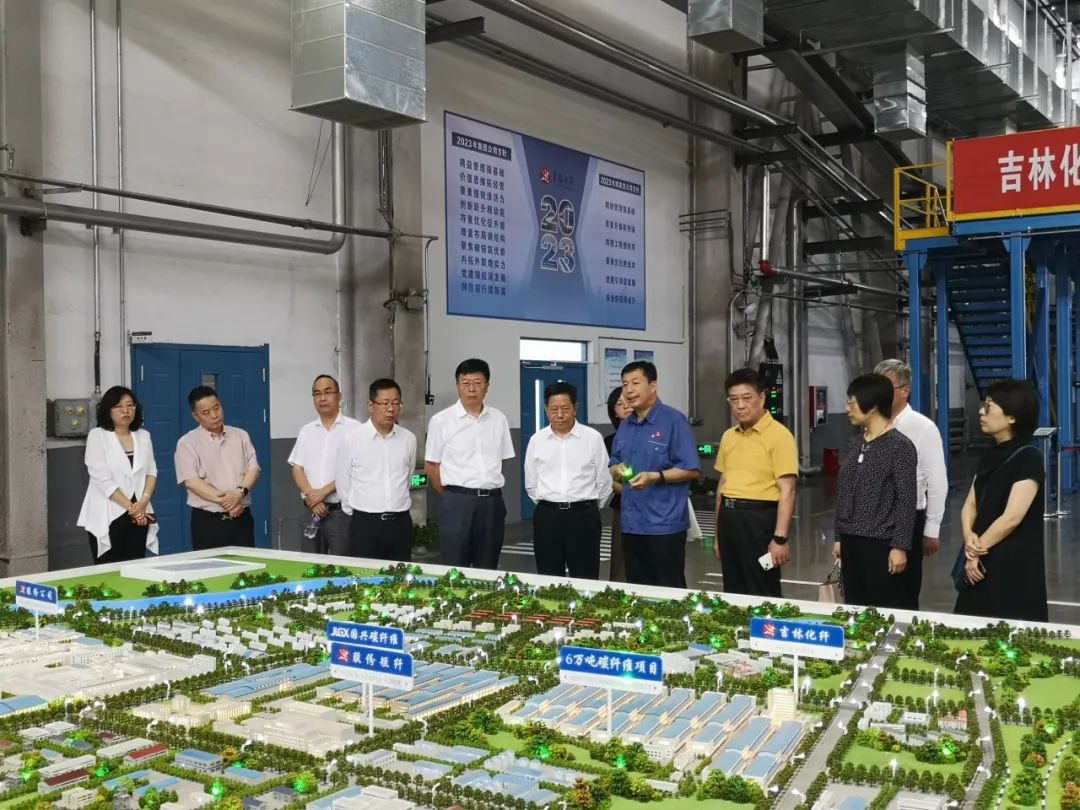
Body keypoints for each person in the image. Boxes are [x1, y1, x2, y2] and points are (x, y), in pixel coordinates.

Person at [955, 380, 1046, 622]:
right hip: (980, 555)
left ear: (1013, 416)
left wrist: (975, 551)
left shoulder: (1029, 457)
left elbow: (1012, 517)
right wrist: (968, 536)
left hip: (1011, 559)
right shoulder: (990, 454)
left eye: (988, 406)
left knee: (1008, 625)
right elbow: (970, 504)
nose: (981, 412)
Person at [608, 361, 700, 588]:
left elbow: (691, 469)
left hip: (664, 526)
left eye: (635, 383)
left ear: (653, 386)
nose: (629, 390)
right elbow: (614, 463)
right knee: (637, 590)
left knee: (668, 592)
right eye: (625, 384)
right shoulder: (626, 425)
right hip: (631, 525)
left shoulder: (673, 421)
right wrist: (616, 470)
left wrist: (655, 477)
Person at [833, 373, 917, 609]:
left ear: (871, 406)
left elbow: (906, 500)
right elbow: (843, 493)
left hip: (881, 544)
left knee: (883, 607)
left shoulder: (900, 446)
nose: (847, 408)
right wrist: (838, 537)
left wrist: (899, 546)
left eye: (852, 402)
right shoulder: (854, 444)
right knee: (855, 606)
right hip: (850, 541)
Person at [713, 368, 798, 597]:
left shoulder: (779, 436)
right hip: (729, 519)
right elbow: (722, 486)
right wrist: (718, 535)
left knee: (762, 588)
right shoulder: (729, 436)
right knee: (733, 589)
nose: (740, 406)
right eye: (733, 400)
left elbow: (787, 490)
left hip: (759, 521)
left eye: (746, 398)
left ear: (762, 397)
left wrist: (780, 538)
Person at [424, 358, 515, 569]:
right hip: (457, 502)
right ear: (458, 385)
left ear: (487, 386)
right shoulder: (441, 421)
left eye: (477, 383)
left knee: (488, 565)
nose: (471, 389)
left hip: (492, 503)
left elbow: (502, 462)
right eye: (465, 383)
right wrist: (453, 495)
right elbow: (431, 467)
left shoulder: (499, 419)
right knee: (455, 564)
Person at [875, 359, 949, 609]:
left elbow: (937, 481)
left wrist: (932, 529)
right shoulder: (871, 424)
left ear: (905, 390)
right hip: (874, 522)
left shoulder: (923, 428)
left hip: (907, 520)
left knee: (902, 592)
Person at [524, 382, 613, 579]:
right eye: (554, 409)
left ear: (575, 408)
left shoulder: (592, 438)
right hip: (548, 516)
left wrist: (589, 507)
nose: (560, 414)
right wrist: (550, 504)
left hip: (583, 517)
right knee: (549, 577)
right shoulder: (537, 440)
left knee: (585, 576)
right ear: (546, 409)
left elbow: (604, 481)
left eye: (565, 409)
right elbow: (531, 483)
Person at [338, 378, 418, 562]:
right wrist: (358, 512)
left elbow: (408, 477)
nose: (390, 409)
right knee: (367, 576)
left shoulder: (409, 439)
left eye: (396, 403)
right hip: (365, 524)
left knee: (400, 575)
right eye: (385, 403)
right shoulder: (352, 439)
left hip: (400, 523)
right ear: (370, 405)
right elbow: (343, 482)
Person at [77, 386, 159, 563]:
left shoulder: (143, 436)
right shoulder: (97, 436)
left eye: (130, 405)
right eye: (119, 406)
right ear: (108, 410)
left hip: (140, 512)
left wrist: (142, 503)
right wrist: (132, 509)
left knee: (136, 566)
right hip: (108, 512)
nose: (125, 411)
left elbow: (151, 472)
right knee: (108, 569)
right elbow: (102, 480)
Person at [175, 386, 260, 550]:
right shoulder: (187, 443)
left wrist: (239, 494)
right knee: (210, 565)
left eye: (217, 408)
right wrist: (229, 503)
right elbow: (192, 482)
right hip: (208, 522)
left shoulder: (241, 435)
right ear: (195, 416)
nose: (214, 415)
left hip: (242, 517)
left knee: (247, 564)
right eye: (206, 413)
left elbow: (253, 469)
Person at [288, 374, 360, 554]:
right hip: (310, 510)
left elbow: (355, 470)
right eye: (317, 393)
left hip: (341, 513)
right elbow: (297, 468)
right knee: (310, 565)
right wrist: (312, 497)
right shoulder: (306, 431)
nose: (322, 398)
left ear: (339, 396)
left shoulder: (355, 429)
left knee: (344, 565)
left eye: (328, 392)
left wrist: (322, 493)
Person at [604, 388, 633, 581]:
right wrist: (630, 492)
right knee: (621, 557)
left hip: (653, 503)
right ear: (614, 411)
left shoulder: (652, 435)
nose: (626, 407)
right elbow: (605, 477)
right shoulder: (609, 441)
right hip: (623, 503)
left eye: (628, 402)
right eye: (620, 404)